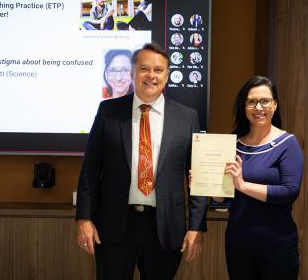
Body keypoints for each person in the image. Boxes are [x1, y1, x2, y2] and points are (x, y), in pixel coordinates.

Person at [76, 43, 208, 280]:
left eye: (158, 70)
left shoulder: (188, 117)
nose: (151, 75)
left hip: (165, 227)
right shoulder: (109, 111)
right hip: (115, 225)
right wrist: (85, 218)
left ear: (167, 75)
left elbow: (197, 176)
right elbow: (90, 170)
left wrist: (196, 226)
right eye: (144, 68)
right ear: (132, 73)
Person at [220, 76, 304, 280]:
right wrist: (206, 184)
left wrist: (242, 185)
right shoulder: (233, 144)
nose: (258, 107)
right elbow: (224, 197)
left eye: (265, 101)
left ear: (274, 105)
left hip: (277, 246)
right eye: (251, 101)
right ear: (244, 106)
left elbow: (289, 192)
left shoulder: (287, 143)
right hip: (238, 245)